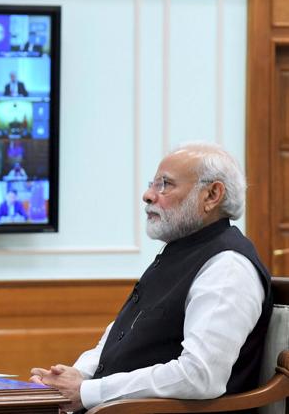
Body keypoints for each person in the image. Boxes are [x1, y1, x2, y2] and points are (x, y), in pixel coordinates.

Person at [30, 143, 273, 413]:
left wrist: (88, 392)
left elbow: (200, 376)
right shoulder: (178, 253)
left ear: (212, 195)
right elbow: (120, 338)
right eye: (152, 184)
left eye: (165, 185)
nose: (148, 195)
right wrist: (76, 375)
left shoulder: (227, 267)